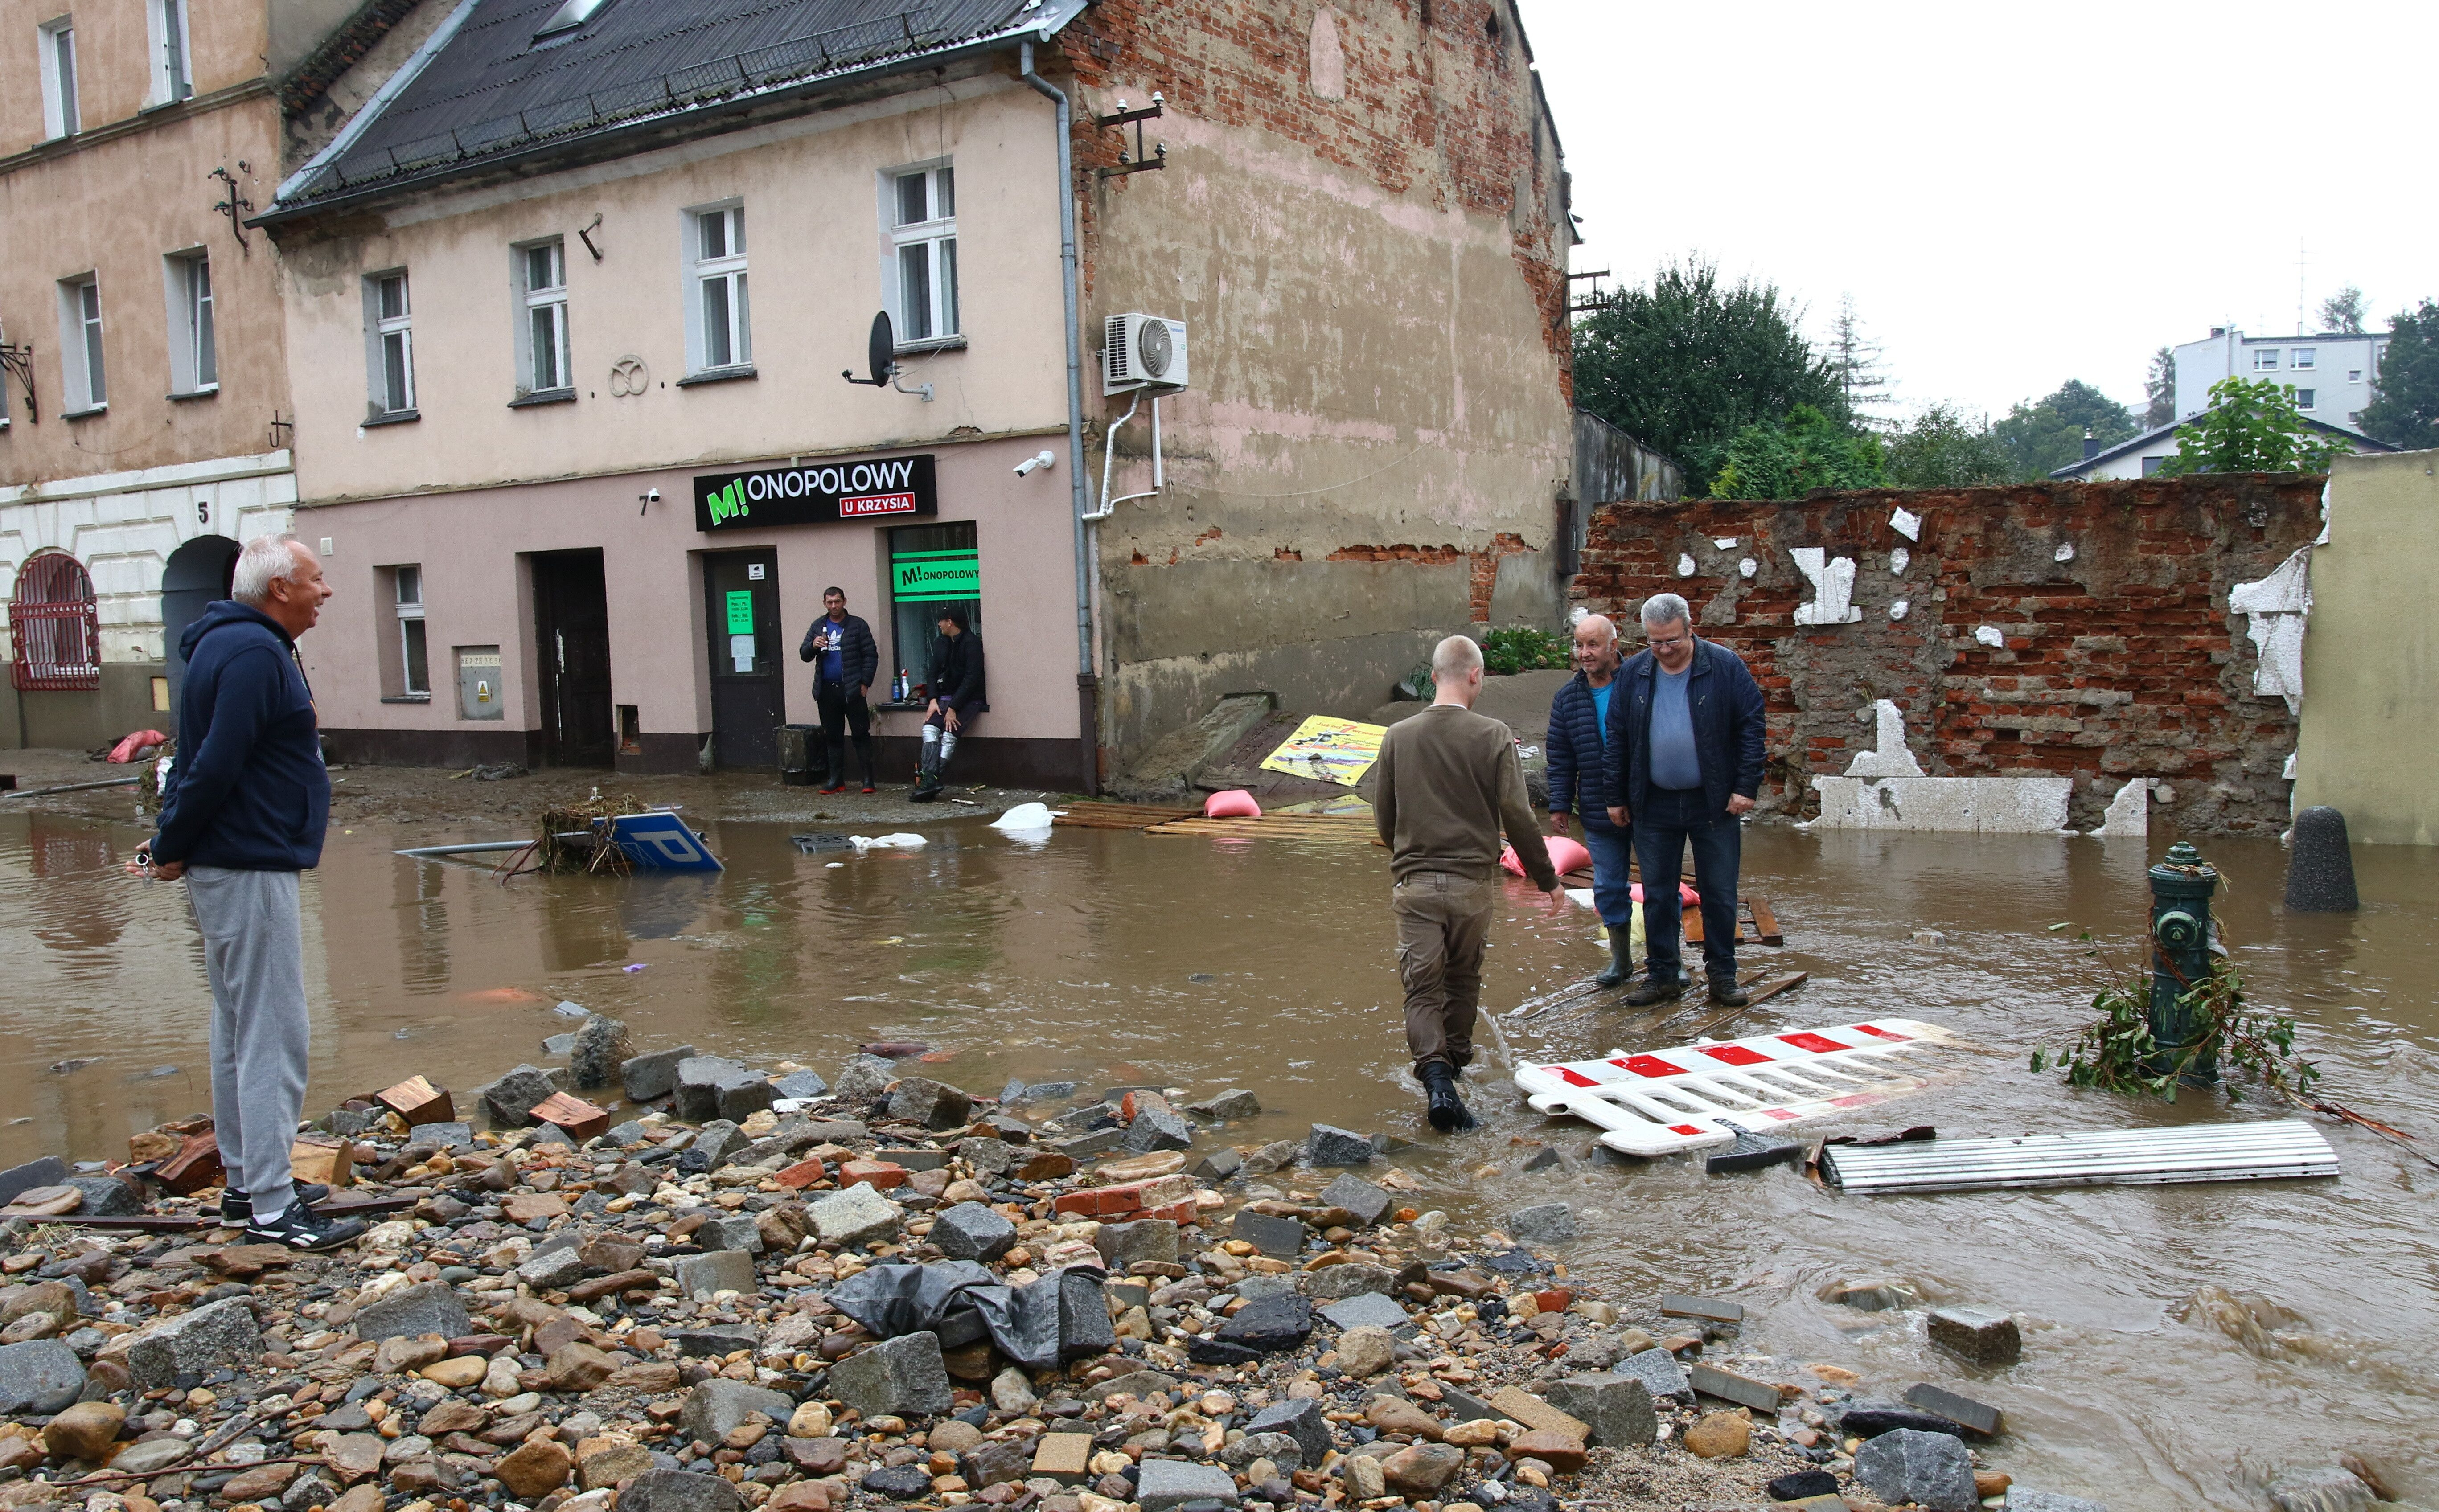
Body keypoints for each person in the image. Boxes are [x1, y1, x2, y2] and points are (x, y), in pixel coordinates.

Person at [136, 536, 367, 1253]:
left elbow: (200, 756)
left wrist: (172, 841)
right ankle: (271, 1206)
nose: (325, 591)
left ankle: (246, 1183)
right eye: (315, 578)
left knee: (237, 1023)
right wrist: (170, 846)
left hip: (237, 858)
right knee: (272, 1029)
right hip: (247, 862)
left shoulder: (237, 645)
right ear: (278, 590)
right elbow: (211, 764)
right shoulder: (252, 653)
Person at [1374, 635, 1564, 1131]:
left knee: (1421, 990)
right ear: (1477, 676)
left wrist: (1409, 858)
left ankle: (1436, 1081)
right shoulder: (1495, 735)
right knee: (1462, 980)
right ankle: (1455, 1070)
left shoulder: (1397, 736)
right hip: (1472, 886)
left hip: (1415, 885)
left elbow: (1384, 818)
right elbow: (1518, 817)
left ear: (1434, 677)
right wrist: (1547, 879)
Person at [1602, 592, 1766, 1008]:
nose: (1665, 650)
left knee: (1720, 891)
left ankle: (1722, 976)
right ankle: (1662, 974)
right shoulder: (1635, 673)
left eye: (1672, 641)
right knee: (1657, 893)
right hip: (1653, 802)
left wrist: (1746, 786)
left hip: (1714, 801)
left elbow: (1752, 726)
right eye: (1655, 643)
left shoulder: (1724, 667)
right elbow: (1618, 737)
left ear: (1691, 630)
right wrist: (1616, 796)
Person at [1546, 613, 1635, 987]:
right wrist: (1560, 804)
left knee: (1661, 884)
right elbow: (1561, 755)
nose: (1584, 653)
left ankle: (1669, 959)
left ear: (1614, 646)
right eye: (1579, 645)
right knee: (1610, 885)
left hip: (1648, 803)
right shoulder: (1568, 698)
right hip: (1599, 806)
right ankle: (1622, 960)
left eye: (1593, 645)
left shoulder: (1639, 684)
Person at [797, 586, 879, 795]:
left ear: (845, 601)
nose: (834, 606)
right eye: (830, 603)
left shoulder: (857, 625)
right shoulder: (818, 625)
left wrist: (865, 683)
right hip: (826, 690)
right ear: (824, 603)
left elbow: (871, 655)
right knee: (833, 736)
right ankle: (836, 780)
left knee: (861, 734)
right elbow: (804, 655)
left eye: (837, 602)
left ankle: (868, 781)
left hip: (852, 689)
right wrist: (813, 646)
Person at [912, 607, 985, 802]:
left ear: (950, 622)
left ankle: (932, 779)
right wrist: (933, 700)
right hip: (944, 698)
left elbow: (972, 678)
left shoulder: (972, 644)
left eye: (941, 621)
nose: (939, 625)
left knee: (949, 734)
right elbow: (932, 672)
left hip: (970, 699)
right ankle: (929, 780)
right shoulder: (941, 643)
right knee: (929, 729)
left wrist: (953, 708)